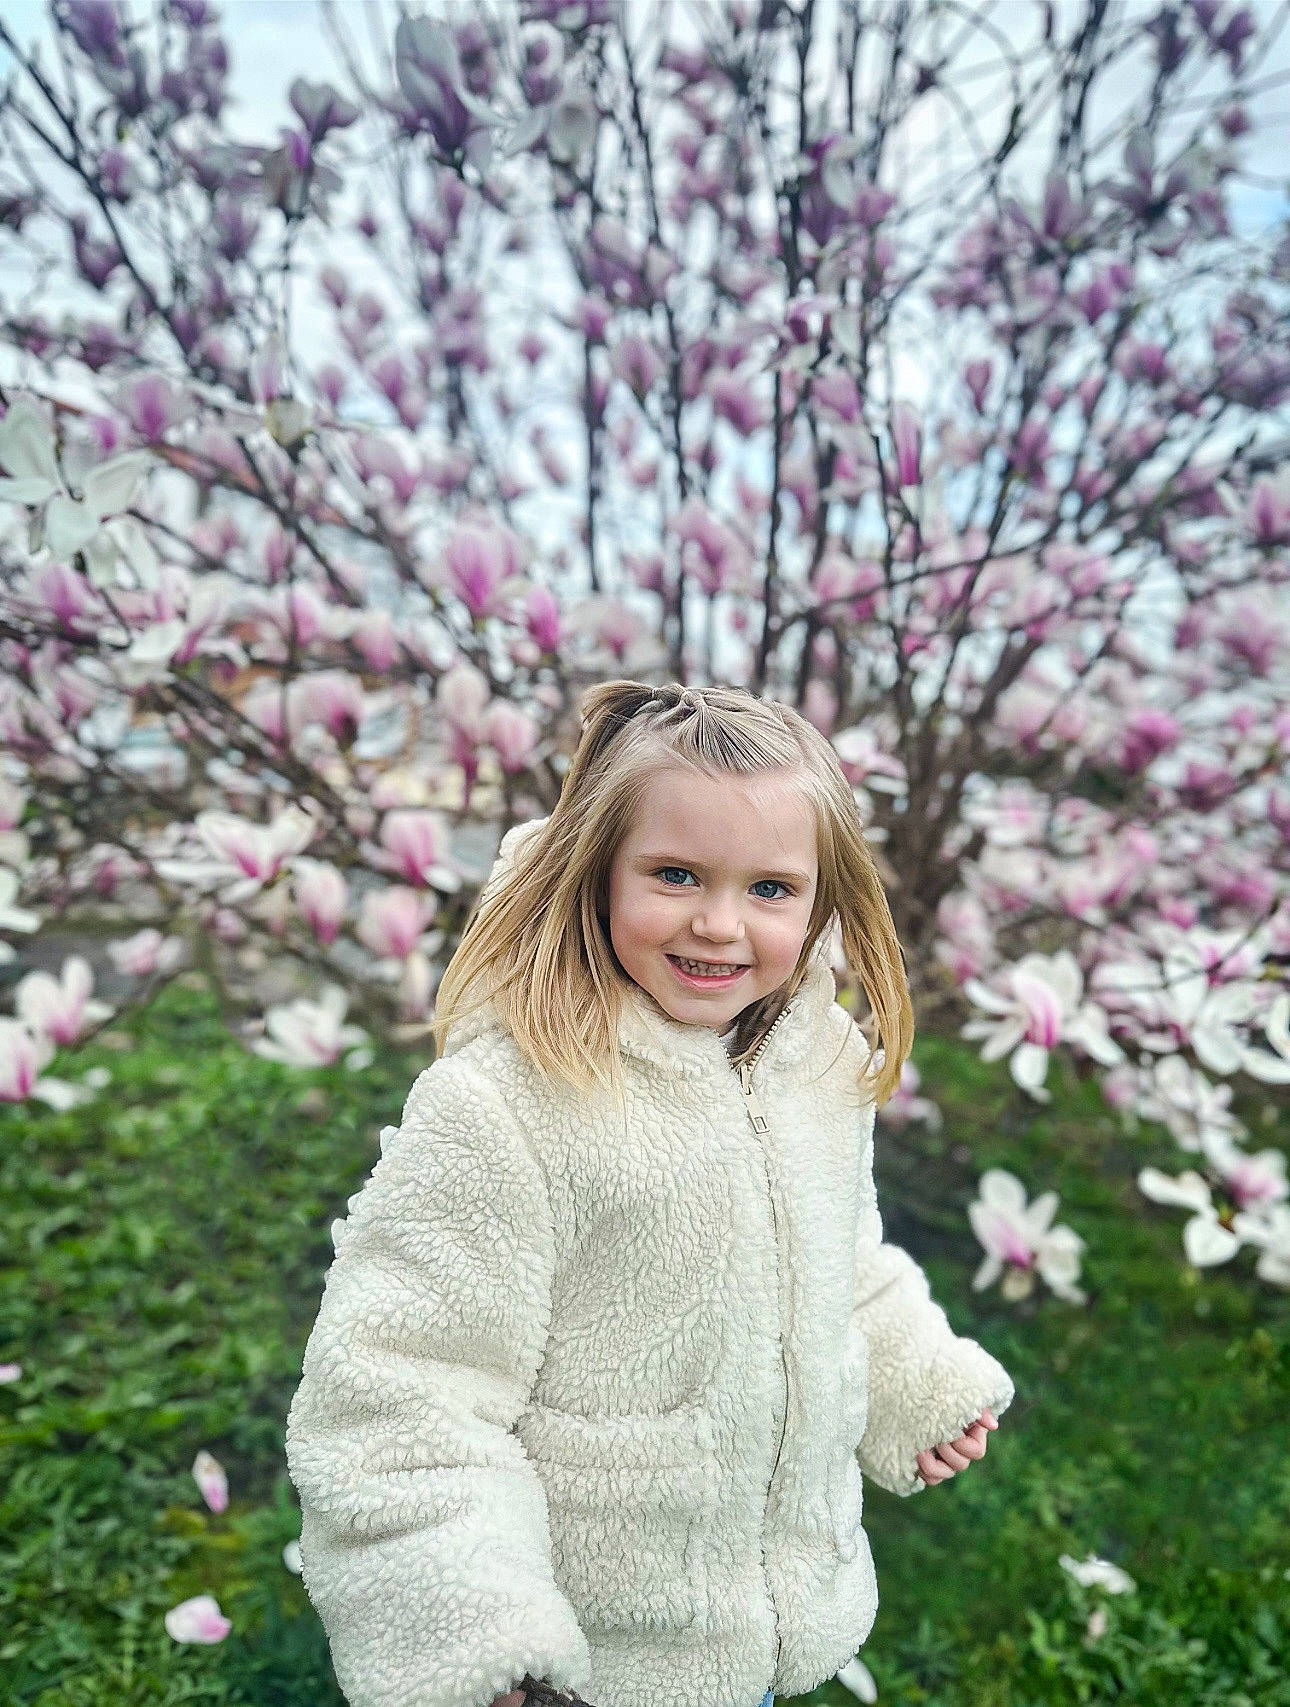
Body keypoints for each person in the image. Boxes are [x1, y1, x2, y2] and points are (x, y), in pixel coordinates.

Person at [285, 679, 1016, 1707]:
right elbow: (403, 1401)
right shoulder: (510, 1104)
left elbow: (837, 1264)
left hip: (755, 1637)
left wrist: (914, 1378)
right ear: (597, 872)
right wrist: (487, 1635)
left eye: (769, 889)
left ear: (820, 902)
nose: (719, 925)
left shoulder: (813, 1067)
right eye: (675, 874)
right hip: (586, 1656)